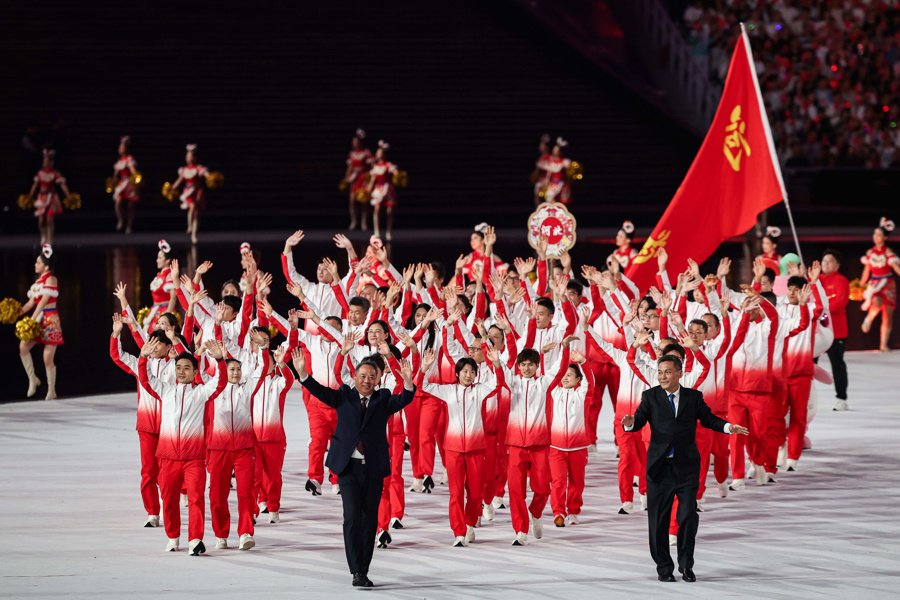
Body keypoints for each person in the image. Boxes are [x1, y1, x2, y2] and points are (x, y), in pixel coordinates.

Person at [293, 348, 416, 588]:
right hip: (347, 467)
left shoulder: (382, 399)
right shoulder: (344, 395)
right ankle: (355, 570)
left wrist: (409, 382)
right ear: (355, 376)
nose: (367, 380)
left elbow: (404, 399)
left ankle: (363, 569)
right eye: (362, 376)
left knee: (369, 520)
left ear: (378, 379)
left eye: (372, 376)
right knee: (351, 517)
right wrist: (303, 374)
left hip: (373, 469)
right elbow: (319, 391)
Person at [622, 355, 748, 583]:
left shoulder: (693, 397)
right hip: (659, 469)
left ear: (680, 373)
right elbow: (638, 421)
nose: (662, 376)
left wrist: (729, 427)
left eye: (668, 372)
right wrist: (629, 423)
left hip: (687, 468)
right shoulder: (650, 397)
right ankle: (664, 567)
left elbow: (709, 419)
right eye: (660, 372)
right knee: (658, 522)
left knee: (688, 516)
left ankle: (686, 566)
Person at [137, 337, 228, 555]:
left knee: (196, 498)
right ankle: (173, 536)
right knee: (168, 500)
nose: (181, 371)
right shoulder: (165, 390)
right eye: (178, 367)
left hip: (194, 458)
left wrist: (220, 361)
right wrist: (142, 358)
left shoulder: (201, 393)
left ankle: (195, 540)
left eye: (187, 368)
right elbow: (146, 380)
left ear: (195, 372)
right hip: (167, 457)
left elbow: (220, 383)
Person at [417, 346, 505, 546]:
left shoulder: (481, 390)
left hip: (476, 448)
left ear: (476, 374)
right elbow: (421, 386)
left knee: (474, 493)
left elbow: (499, 383)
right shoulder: (448, 391)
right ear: (457, 373)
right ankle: (458, 532)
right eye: (464, 371)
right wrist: (425, 367)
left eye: (472, 372)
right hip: (453, 449)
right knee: (456, 493)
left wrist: (497, 363)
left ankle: (470, 524)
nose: (468, 375)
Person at [18, 244, 63, 400]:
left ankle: (51, 390)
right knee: (23, 346)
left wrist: (30, 320)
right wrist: (15, 312)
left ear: (46, 267)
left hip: (50, 320)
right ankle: (33, 378)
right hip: (38, 319)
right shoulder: (37, 283)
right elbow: (31, 304)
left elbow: (43, 302)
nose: (35, 265)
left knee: (47, 357)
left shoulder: (51, 279)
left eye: (38, 263)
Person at [860, 218, 900, 352]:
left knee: (888, 315)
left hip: (888, 284)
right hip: (875, 283)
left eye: (879, 235)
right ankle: (868, 319)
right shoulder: (870, 253)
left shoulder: (888, 251)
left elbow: (895, 267)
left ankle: (883, 344)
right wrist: (861, 284)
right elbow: (866, 270)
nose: (876, 237)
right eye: (874, 234)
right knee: (876, 302)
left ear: (884, 238)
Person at [818, 249, 850, 409]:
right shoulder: (816, 280)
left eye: (830, 261)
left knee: (837, 364)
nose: (826, 263)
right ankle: (805, 397)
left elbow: (840, 303)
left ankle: (841, 398)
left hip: (836, 330)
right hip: (817, 331)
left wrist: (820, 308)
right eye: (824, 260)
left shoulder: (841, 280)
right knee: (808, 364)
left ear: (837, 265)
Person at [27, 148, 71, 244]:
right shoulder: (40, 173)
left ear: (52, 162)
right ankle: (43, 236)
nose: (47, 162)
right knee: (41, 220)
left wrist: (69, 196)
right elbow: (35, 185)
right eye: (45, 160)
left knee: (49, 219)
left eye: (49, 161)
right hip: (42, 198)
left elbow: (63, 185)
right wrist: (30, 196)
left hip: (52, 197)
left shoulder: (55, 174)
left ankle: (49, 238)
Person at [169, 143, 210, 244]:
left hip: (197, 192)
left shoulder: (199, 168)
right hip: (188, 191)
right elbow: (179, 181)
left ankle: (193, 235)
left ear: (195, 158)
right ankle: (189, 227)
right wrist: (171, 188)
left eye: (191, 157)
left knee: (196, 213)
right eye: (188, 157)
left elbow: (207, 175)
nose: (189, 159)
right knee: (192, 208)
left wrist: (211, 177)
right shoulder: (184, 170)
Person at [366, 140, 399, 241]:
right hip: (378, 189)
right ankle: (377, 231)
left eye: (379, 153)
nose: (377, 155)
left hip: (388, 189)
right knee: (376, 209)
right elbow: (373, 179)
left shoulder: (387, 165)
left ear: (383, 155)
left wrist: (397, 175)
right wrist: (368, 188)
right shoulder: (376, 166)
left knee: (389, 211)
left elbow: (395, 171)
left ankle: (389, 231)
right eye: (377, 153)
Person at [144, 241, 178, 333]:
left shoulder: (170, 276)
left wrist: (167, 316)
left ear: (167, 260)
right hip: (155, 310)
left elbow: (173, 298)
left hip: (165, 310)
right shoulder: (159, 276)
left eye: (159, 258)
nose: (157, 260)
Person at [343, 129, 373, 231]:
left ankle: (364, 222)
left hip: (363, 176)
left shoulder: (366, 152)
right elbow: (350, 167)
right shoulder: (352, 153)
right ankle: (354, 221)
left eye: (355, 142)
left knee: (363, 200)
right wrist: (346, 179)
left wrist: (369, 179)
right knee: (352, 200)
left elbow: (372, 166)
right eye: (353, 142)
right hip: (355, 177)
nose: (353, 143)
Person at [111, 135, 139, 234]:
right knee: (118, 201)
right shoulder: (120, 161)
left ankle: (129, 225)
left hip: (130, 183)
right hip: (122, 183)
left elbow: (133, 171)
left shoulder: (129, 159)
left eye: (123, 147)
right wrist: (113, 182)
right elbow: (115, 174)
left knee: (130, 206)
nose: (122, 149)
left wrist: (135, 181)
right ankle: (121, 220)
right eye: (120, 147)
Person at [539, 137, 573, 205]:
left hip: (562, 184)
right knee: (550, 197)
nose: (556, 151)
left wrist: (568, 185)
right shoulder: (551, 162)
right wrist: (547, 183)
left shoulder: (564, 162)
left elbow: (569, 175)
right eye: (555, 149)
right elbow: (549, 174)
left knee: (562, 200)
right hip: (554, 183)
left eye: (557, 150)